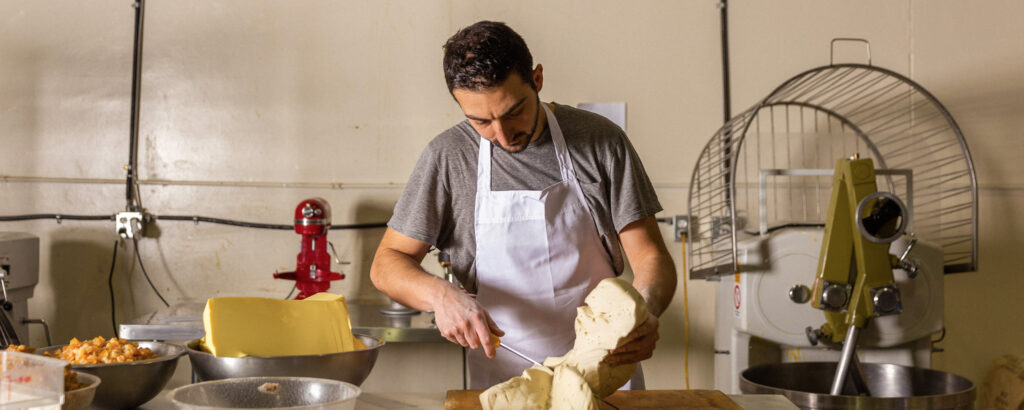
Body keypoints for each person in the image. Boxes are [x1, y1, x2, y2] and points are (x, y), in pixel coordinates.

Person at [370, 20, 676, 389]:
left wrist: (644, 311)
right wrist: (441, 296)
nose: (501, 134)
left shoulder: (599, 141)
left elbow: (650, 257)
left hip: (605, 367)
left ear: (538, 79)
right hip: (504, 376)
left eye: (514, 111)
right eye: (481, 121)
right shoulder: (449, 156)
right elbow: (387, 264)